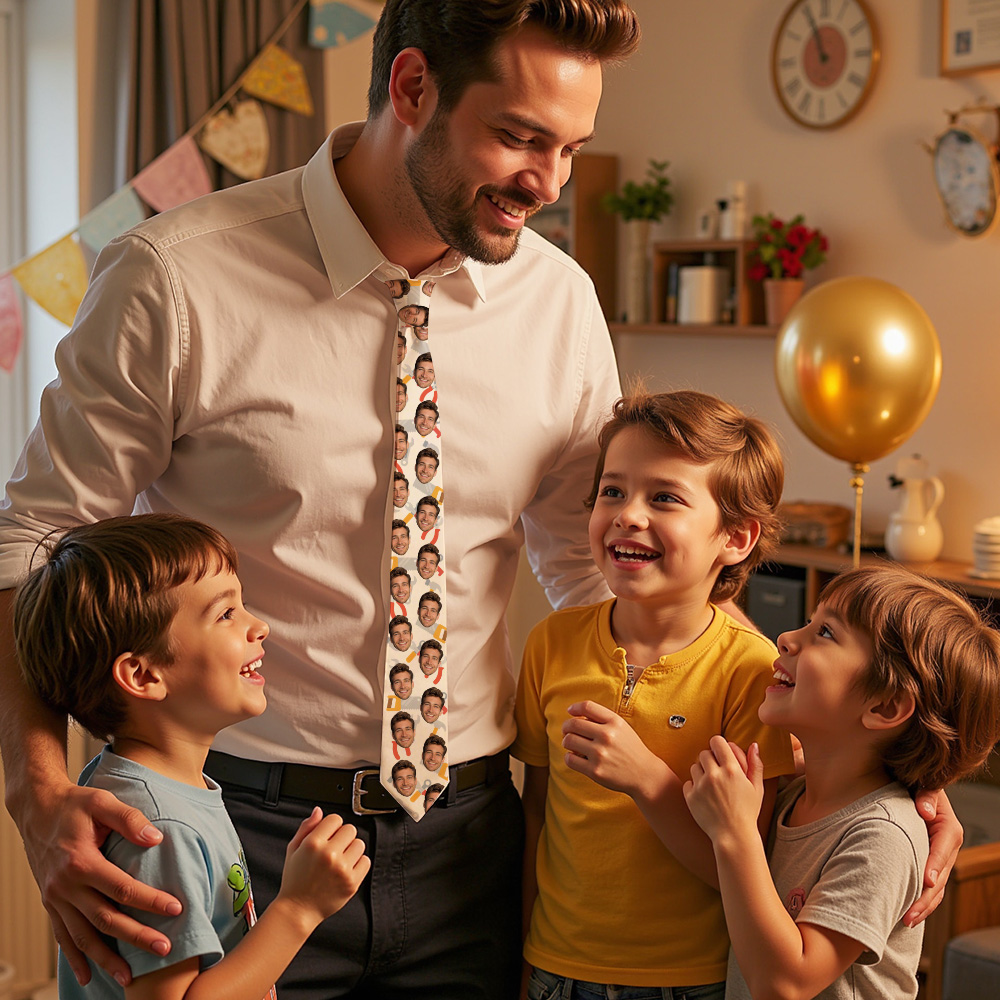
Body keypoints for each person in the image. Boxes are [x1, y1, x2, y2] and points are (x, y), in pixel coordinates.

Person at [0, 2, 956, 998]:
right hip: (235, 825)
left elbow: (599, 572)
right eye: (519, 137)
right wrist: (39, 794)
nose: (547, 183)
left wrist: (877, 779)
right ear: (412, 89)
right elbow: (33, 538)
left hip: (481, 841)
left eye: (571, 147)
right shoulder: (175, 276)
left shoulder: (559, 302)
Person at [12, 513, 369, 1000]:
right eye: (225, 614)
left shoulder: (151, 787)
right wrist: (299, 908)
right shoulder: (158, 830)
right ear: (143, 676)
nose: (258, 626)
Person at [513, 389, 796, 999]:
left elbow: (742, 870)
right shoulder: (550, 644)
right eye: (612, 491)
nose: (628, 514)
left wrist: (647, 779)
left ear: (737, 538)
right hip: (553, 972)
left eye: (664, 497)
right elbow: (536, 817)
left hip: (685, 983)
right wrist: (521, 956)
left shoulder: (754, 672)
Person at [684, 565, 1000, 1000]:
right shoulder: (792, 793)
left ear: (887, 708)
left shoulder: (882, 837)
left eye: (825, 633)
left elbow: (786, 984)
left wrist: (734, 833)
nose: (787, 638)